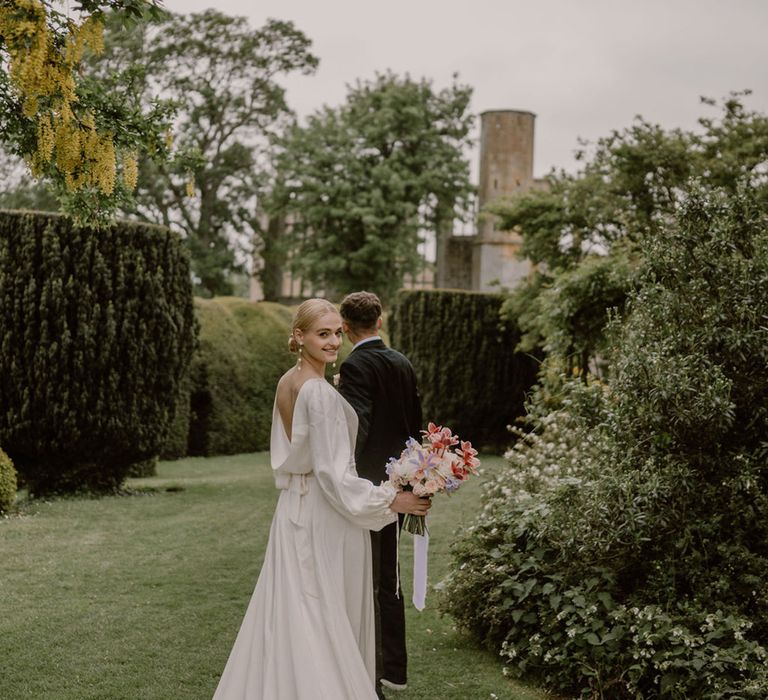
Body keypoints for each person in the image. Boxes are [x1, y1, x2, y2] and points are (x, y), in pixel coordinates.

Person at [212, 298, 431, 700]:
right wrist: (389, 501)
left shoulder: (287, 382)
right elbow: (335, 475)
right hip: (326, 516)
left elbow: (306, 458)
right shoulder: (320, 393)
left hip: (293, 510)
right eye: (322, 334)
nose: (333, 342)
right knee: (325, 616)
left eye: (335, 332)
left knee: (296, 612)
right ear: (299, 337)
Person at [337, 291, 422, 696]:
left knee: (368, 578)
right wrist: (417, 479)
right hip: (402, 481)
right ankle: (393, 670)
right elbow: (417, 427)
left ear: (346, 327)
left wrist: (346, 474)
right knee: (388, 576)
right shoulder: (402, 362)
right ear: (380, 321)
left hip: (370, 490)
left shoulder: (355, 365)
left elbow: (357, 426)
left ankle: (371, 668)